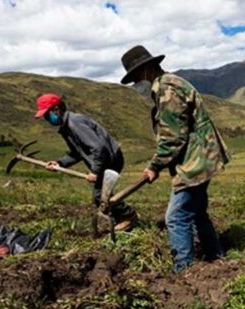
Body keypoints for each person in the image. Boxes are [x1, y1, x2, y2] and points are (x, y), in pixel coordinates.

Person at [120, 46, 231, 273]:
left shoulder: (167, 91)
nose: (137, 82)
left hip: (196, 161)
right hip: (202, 156)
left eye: (137, 76)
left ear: (148, 68)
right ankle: (217, 257)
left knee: (176, 217)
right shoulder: (169, 84)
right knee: (198, 212)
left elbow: (173, 137)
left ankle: (184, 271)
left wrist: (154, 165)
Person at [35, 94, 136, 232]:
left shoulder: (75, 124)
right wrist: (59, 163)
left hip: (110, 159)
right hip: (105, 159)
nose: (47, 120)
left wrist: (95, 171)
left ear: (56, 109)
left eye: (47, 115)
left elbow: (99, 148)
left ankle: (128, 216)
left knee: (99, 195)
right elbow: (77, 153)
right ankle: (121, 219)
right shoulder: (67, 127)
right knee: (101, 196)